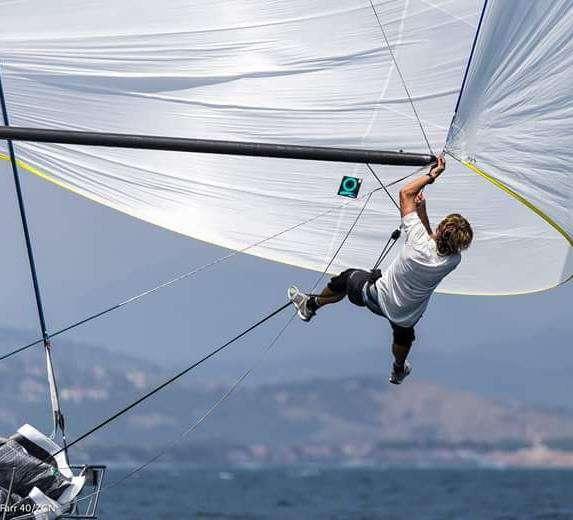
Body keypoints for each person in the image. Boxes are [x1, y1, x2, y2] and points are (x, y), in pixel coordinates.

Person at [288, 155, 473, 385]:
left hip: (376, 297)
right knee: (404, 335)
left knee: (346, 279)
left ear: (440, 227)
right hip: (406, 316)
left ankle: (310, 306)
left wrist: (431, 176)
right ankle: (398, 369)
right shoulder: (453, 261)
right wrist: (422, 210)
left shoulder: (418, 240)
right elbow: (432, 243)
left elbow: (405, 194)